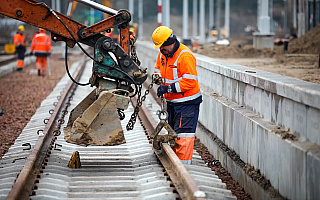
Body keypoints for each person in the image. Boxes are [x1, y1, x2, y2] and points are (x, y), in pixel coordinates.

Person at [152, 26, 202, 164]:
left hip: (187, 103)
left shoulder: (184, 55)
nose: (161, 50)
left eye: (162, 46)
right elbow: (158, 68)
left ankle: (184, 167)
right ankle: (175, 163)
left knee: (183, 136)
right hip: (173, 102)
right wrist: (157, 77)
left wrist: (168, 88)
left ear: (170, 41)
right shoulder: (163, 53)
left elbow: (190, 82)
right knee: (174, 135)